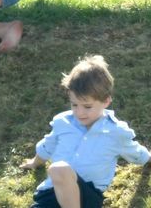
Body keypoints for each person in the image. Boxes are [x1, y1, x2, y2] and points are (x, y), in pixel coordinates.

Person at [21, 55, 151, 208]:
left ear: (106, 101)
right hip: (53, 193)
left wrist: (148, 158)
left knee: (58, 169)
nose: (79, 112)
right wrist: (35, 163)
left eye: (87, 106)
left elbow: (135, 152)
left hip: (87, 196)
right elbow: (47, 145)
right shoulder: (62, 122)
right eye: (74, 105)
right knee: (58, 172)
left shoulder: (115, 131)